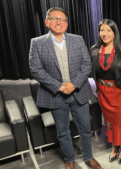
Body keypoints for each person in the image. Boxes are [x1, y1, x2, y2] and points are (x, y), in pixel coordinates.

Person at [29, 7, 101, 169]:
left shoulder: (78, 39)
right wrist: (59, 87)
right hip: (55, 96)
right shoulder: (37, 43)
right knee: (62, 131)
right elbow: (35, 70)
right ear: (47, 22)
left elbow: (86, 64)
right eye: (54, 18)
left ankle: (88, 157)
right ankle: (69, 160)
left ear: (67, 23)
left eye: (62, 19)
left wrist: (73, 84)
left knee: (85, 128)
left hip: (79, 93)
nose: (59, 22)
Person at [90, 19, 121, 164]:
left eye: (109, 30)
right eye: (102, 30)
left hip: (119, 92)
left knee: (120, 122)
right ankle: (115, 147)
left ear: (114, 33)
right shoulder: (94, 50)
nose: (105, 33)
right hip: (103, 93)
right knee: (109, 122)